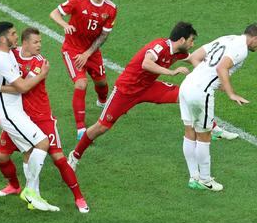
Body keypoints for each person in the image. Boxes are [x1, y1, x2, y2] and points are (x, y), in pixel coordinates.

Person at [68, 22, 200, 169]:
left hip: (148, 88)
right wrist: (171, 72)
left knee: (185, 94)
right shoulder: (160, 46)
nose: (192, 44)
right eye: (191, 40)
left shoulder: (179, 52)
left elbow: (194, 58)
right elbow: (146, 63)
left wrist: (209, 72)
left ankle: (213, 128)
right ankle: (74, 156)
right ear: (182, 40)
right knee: (101, 127)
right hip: (126, 91)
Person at [0, 28, 88, 213]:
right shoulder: (11, 53)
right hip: (18, 117)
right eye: (36, 42)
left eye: (40, 42)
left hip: (41, 117)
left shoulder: (40, 62)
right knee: (2, 158)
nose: (39, 46)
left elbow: (23, 88)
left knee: (58, 158)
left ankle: (79, 197)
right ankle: (16, 187)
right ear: (24, 43)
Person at [179, 24, 257, 191]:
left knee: (189, 131)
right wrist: (231, 94)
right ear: (254, 38)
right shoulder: (241, 49)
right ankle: (205, 180)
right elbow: (221, 68)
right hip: (201, 92)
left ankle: (194, 178)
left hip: (186, 85)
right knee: (204, 136)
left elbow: (195, 57)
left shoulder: (226, 38)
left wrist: (204, 76)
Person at [0, 21, 58, 212]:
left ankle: (34, 195)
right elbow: (23, 87)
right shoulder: (1, 60)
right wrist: (42, 75)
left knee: (28, 152)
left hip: (16, 111)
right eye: (12, 34)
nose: (16, 36)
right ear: (3, 39)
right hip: (10, 114)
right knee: (42, 144)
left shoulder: (2, 50)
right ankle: (29, 191)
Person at [49, 0, 118, 139]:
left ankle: (102, 102)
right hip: (72, 49)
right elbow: (54, 14)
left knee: (101, 82)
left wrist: (87, 54)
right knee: (81, 83)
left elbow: (104, 35)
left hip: (91, 51)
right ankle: (81, 128)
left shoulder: (111, 8)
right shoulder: (78, 0)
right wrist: (65, 25)